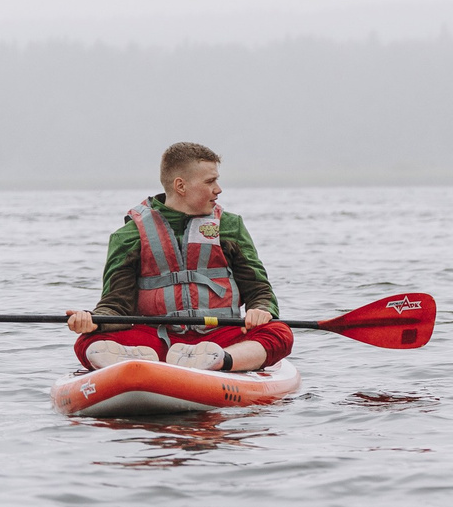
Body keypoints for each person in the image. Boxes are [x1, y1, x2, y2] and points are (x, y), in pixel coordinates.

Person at [65, 142, 295, 373]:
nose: (218, 189)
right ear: (180, 186)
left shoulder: (230, 227)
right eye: (209, 181)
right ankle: (142, 359)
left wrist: (261, 309)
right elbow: (116, 306)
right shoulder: (129, 235)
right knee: (86, 340)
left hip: (219, 336)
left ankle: (220, 360)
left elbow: (259, 291)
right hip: (156, 338)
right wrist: (94, 320)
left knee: (279, 333)